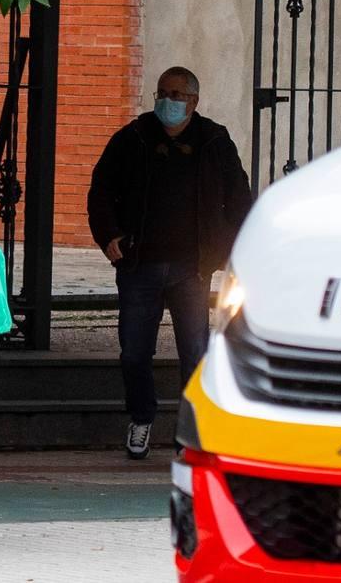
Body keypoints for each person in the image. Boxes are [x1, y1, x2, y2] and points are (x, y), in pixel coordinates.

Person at [87, 66, 252, 458]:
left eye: (177, 94)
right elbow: (101, 189)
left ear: (193, 101)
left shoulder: (213, 140)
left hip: (191, 268)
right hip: (138, 263)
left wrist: (222, 250)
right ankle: (141, 419)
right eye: (163, 92)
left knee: (194, 349)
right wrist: (109, 235)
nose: (168, 100)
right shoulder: (133, 138)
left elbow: (239, 197)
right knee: (134, 351)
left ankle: (190, 428)